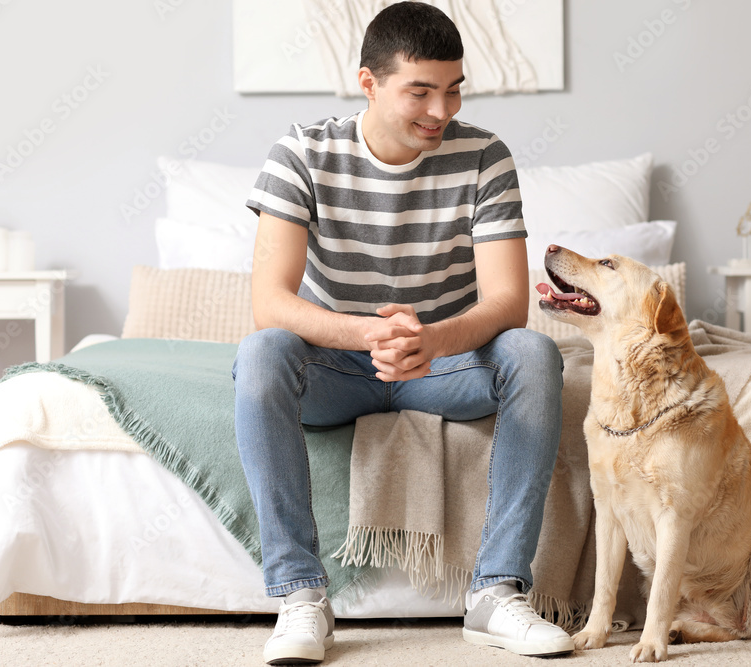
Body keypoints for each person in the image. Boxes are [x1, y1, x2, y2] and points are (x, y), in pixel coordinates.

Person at [232, 2, 571, 663]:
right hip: (335, 368)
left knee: (534, 352)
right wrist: (367, 334)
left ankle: (497, 592)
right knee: (262, 351)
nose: (440, 111)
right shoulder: (302, 152)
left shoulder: (484, 156)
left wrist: (434, 340)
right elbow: (271, 304)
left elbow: (508, 301)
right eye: (420, 91)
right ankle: (301, 596)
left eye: (453, 89)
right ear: (369, 83)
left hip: (443, 367)